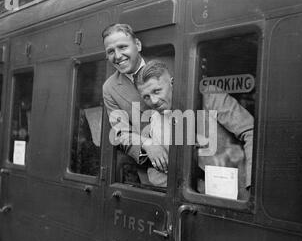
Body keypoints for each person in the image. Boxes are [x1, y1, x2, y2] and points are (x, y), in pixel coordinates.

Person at [135, 60, 254, 196]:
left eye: (157, 91)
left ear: (173, 83)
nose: (154, 101)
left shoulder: (209, 96)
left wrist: (253, 186)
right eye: (146, 97)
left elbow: (250, 131)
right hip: (196, 201)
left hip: (238, 194)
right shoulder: (155, 120)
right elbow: (155, 171)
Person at [102, 24, 168, 183]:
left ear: (137, 45)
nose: (117, 56)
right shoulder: (109, 88)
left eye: (122, 47)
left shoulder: (168, 65)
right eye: (111, 51)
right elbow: (121, 133)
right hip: (153, 173)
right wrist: (147, 144)